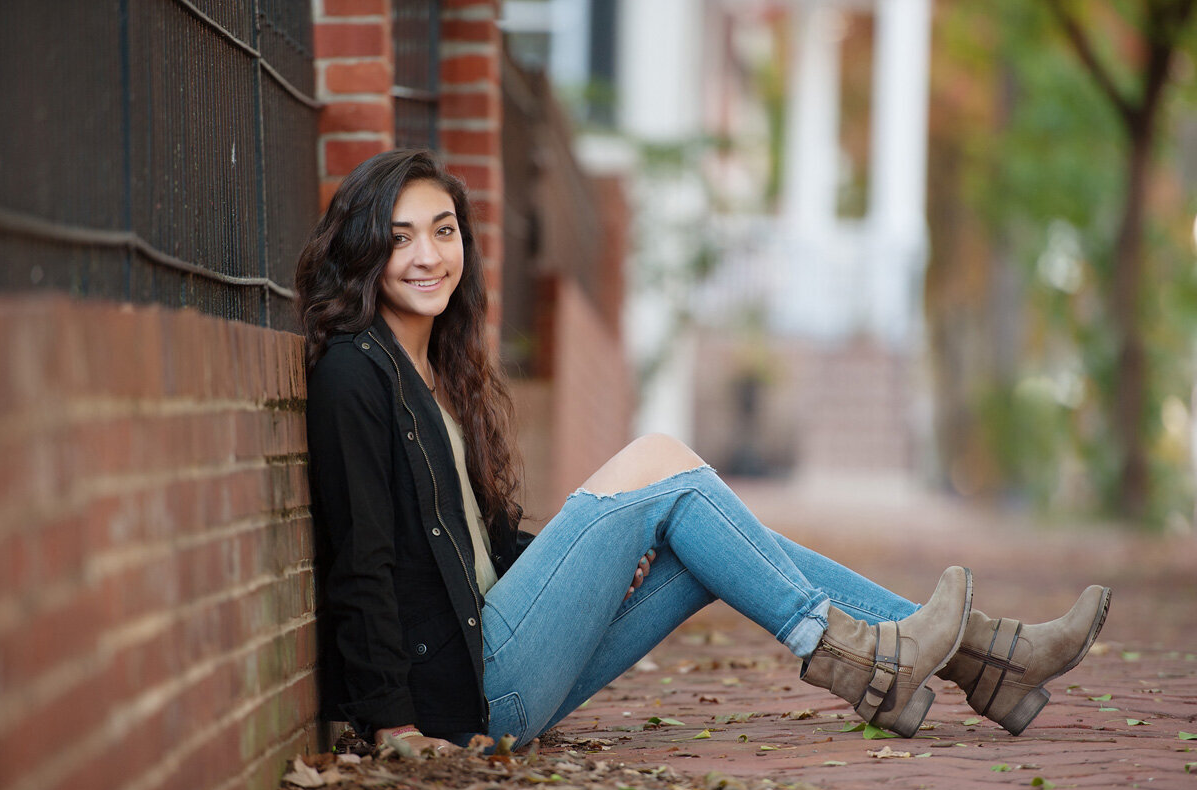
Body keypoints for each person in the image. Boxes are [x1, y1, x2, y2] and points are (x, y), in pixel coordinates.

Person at [297, 149, 1111, 757]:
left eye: (443, 231)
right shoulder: (353, 374)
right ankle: (874, 653)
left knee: (717, 545)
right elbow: (361, 559)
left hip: (497, 648)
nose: (428, 255)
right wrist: (395, 723)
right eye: (400, 237)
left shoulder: (435, 374)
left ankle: (981, 661)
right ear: (365, 248)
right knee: (663, 458)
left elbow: (486, 548)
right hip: (471, 691)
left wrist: (611, 558)